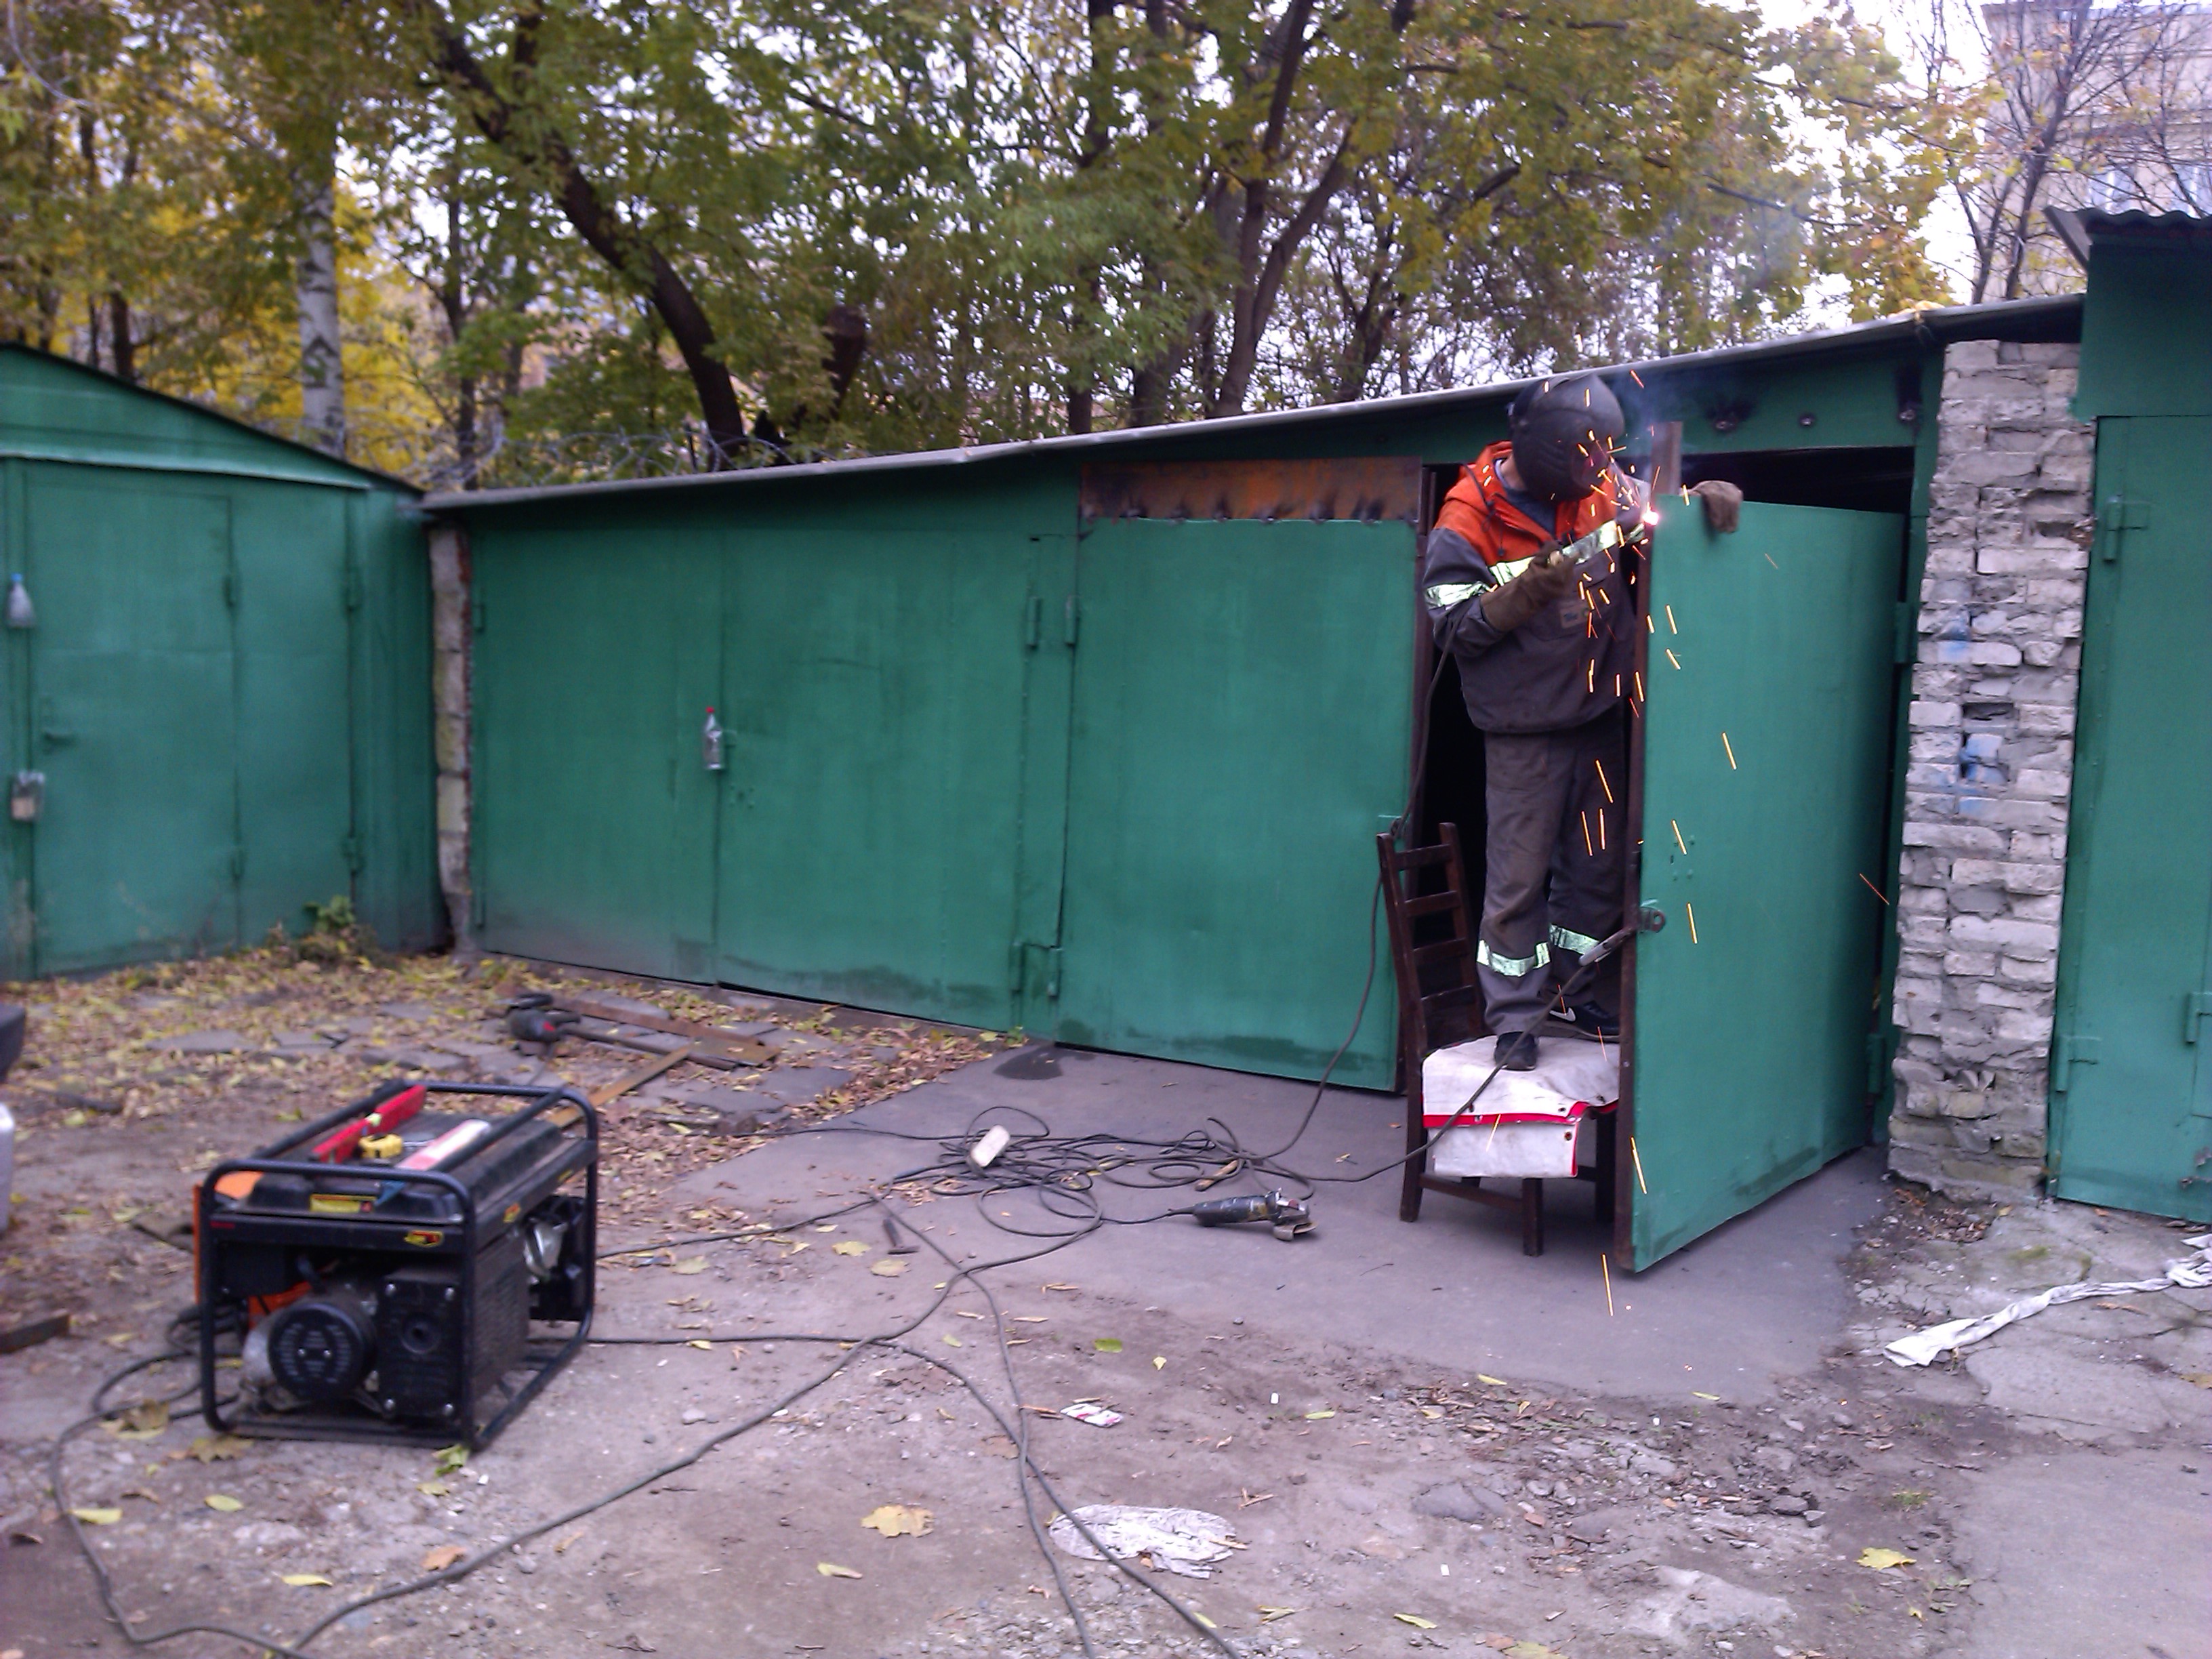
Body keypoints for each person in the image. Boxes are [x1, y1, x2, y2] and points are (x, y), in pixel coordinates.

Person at [1420, 373, 1740, 1069]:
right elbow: (1452, 627)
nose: (1597, 472)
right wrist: (1530, 589)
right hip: (1523, 729)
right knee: (1518, 884)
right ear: (1543, 450)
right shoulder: (1470, 517)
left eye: (1603, 457)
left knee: (1597, 869)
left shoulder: (1596, 479)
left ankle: (1577, 991)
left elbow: (1650, 511)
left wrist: (1693, 504)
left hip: (1597, 713)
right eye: (1585, 459)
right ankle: (1514, 1017)